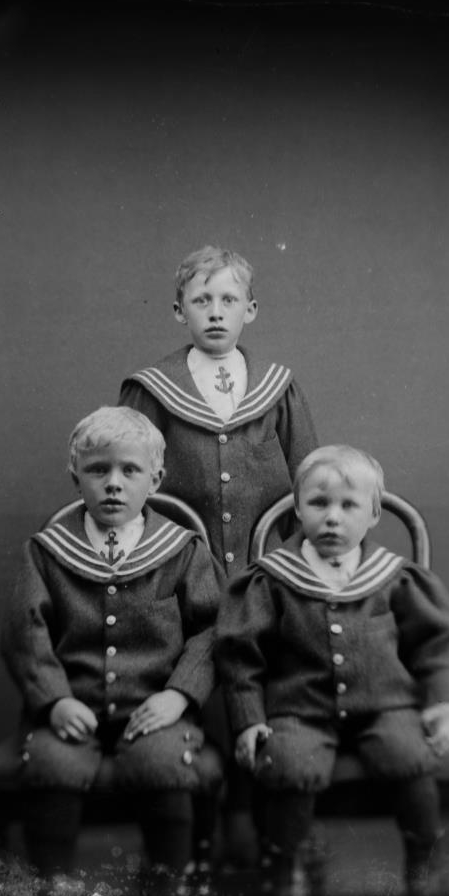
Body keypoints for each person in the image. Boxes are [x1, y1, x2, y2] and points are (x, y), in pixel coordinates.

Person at [118, 245, 319, 864]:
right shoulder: (152, 389)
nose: (215, 311)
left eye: (228, 299)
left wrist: (295, 569)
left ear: (250, 310)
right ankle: (196, 836)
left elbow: (311, 484)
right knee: (187, 694)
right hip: (182, 584)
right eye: (201, 299)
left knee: (273, 696)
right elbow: (125, 482)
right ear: (179, 311)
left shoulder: (278, 388)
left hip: (264, 576)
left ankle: (268, 835)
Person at [215, 444, 449, 896]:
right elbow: (241, 656)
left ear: (374, 514)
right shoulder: (271, 579)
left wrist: (447, 702)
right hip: (300, 708)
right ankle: (286, 862)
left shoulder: (394, 577)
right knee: (289, 764)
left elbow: (435, 644)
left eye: (349, 505)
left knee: (410, 756)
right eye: (319, 503)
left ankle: (422, 858)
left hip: (386, 704)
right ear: (298, 509)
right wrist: (248, 718)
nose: (332, 518)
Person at [0, 406, 223, 896]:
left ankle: (166, 884)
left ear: (156, 479)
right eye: (99, 470)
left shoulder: (183, 550)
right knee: (51, 762)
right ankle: (52, 882)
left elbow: (211, 631)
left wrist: (179, 696)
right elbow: (24, 634)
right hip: (72, 703)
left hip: (155, 708)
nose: (114, 484)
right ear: (75, 475)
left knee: (165, 762)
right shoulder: (47, 551)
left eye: (130, 470)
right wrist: (55, 700)